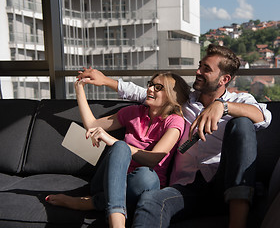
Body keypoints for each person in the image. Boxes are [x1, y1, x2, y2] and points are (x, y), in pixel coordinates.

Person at [77, 44, 272, 228]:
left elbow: (264, 115)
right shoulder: (185, 102)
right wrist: (104, 81)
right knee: (151, 200)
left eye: (206, 69)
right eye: (199, 66)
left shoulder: (239, 100)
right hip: (186, 189)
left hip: (222, 184)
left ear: (224, 79)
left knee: (243, 123)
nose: (198, 72)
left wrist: (223, 106)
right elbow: (144, 93)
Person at [46, 72, 190, 228]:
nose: (150, 89)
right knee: (121, 147)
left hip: (141, 187)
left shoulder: (175, 121)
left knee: (147, 176)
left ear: (171, 95)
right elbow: (92, 125)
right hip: (108, 181)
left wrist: (111, 140)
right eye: (150, 84)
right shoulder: (133, 112)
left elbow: (154, 159)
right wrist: (79, 90)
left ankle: (91, 203)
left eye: (158, 87)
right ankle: (116, 223)